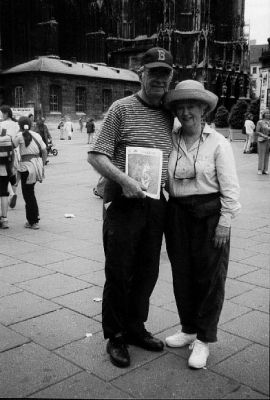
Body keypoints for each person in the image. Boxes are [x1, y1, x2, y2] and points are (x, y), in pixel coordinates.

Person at [87, 47, 174, 368]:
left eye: (164, 74)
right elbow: (96, 155)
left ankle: (136, 328)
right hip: (124, 203)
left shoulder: (169, 113)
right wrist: (123, 179)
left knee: (147, 272)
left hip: (156, 206)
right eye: (153, 73)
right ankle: (116, 336)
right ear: (141, 74)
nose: (159, 80)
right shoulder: (121, 109)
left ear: (170, 78)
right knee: (119, 271)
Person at [163, 80, 241, 369]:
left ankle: (204, 340)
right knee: (182, 274)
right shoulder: (169, 138)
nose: (186, 112)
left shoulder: (218, 143)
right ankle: (188, 329)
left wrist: (225, 222)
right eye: (180, 106)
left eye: (192, 106)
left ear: (203, 109)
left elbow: (231, 189)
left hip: (210, 214)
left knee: (210, 278)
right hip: (177, 214)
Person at [12, 116, 47, 229]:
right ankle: (33, 218)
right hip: (36, 166)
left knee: (28, 195)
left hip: (26, 168)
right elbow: (44, 150)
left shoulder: (19, 136)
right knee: (30, 193)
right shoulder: (36, 135)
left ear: (20, 126)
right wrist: (43, 164)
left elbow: (12, 146)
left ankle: (33, 221)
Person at [0, 105, 20, 209]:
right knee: (12, 174)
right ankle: (13, 194)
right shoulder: (16, 124)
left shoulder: (2, 124)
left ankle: (11, 194)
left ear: (6, 113)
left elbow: (2, 137)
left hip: (3, 151)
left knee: (3, 175)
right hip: (14, 152)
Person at [256, 110, 270, 175]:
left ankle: (265, 169)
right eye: (266, 113)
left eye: (269, 113)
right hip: (262, 140)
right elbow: (257, 132)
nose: (268, 114)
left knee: (267, 155)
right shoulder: (260, 122)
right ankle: (260, 169)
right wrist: (264, 136)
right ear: (263, 114)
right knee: (261, 155)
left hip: (269, 140)